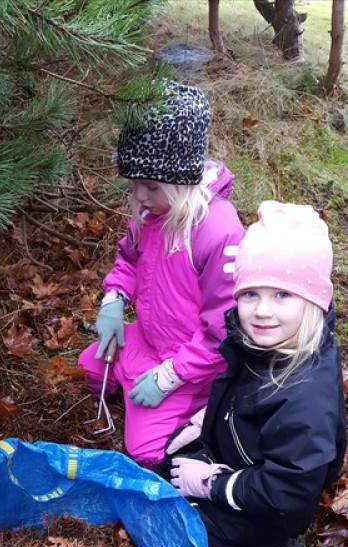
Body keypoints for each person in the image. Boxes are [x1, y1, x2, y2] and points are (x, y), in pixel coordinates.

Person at [158, 201, 346, 547]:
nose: (262, 311)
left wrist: (212, 484)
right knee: (165, 472)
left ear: (313, 302)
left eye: (282, 294)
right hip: (242, 458)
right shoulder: (265, 342)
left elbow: (286, 492)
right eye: (250, 294)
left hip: (273, 503)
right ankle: (231, 533)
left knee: (180, 532)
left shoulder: (305, 399)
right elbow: (236, 389)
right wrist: (203, 420)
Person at [78, 82, 245, 468]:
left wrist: (170, 377)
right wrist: (114, 299)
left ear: (181, 181)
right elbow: (128, 259)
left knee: (146, 453)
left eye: (150, 186)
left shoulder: (217, 232)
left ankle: (198, 413)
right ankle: (136, 387)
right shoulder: (151, 214)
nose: (138, 196)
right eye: (134, 184)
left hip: (191, 364)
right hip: (151, 338)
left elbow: (223, 330)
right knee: (90, 367)